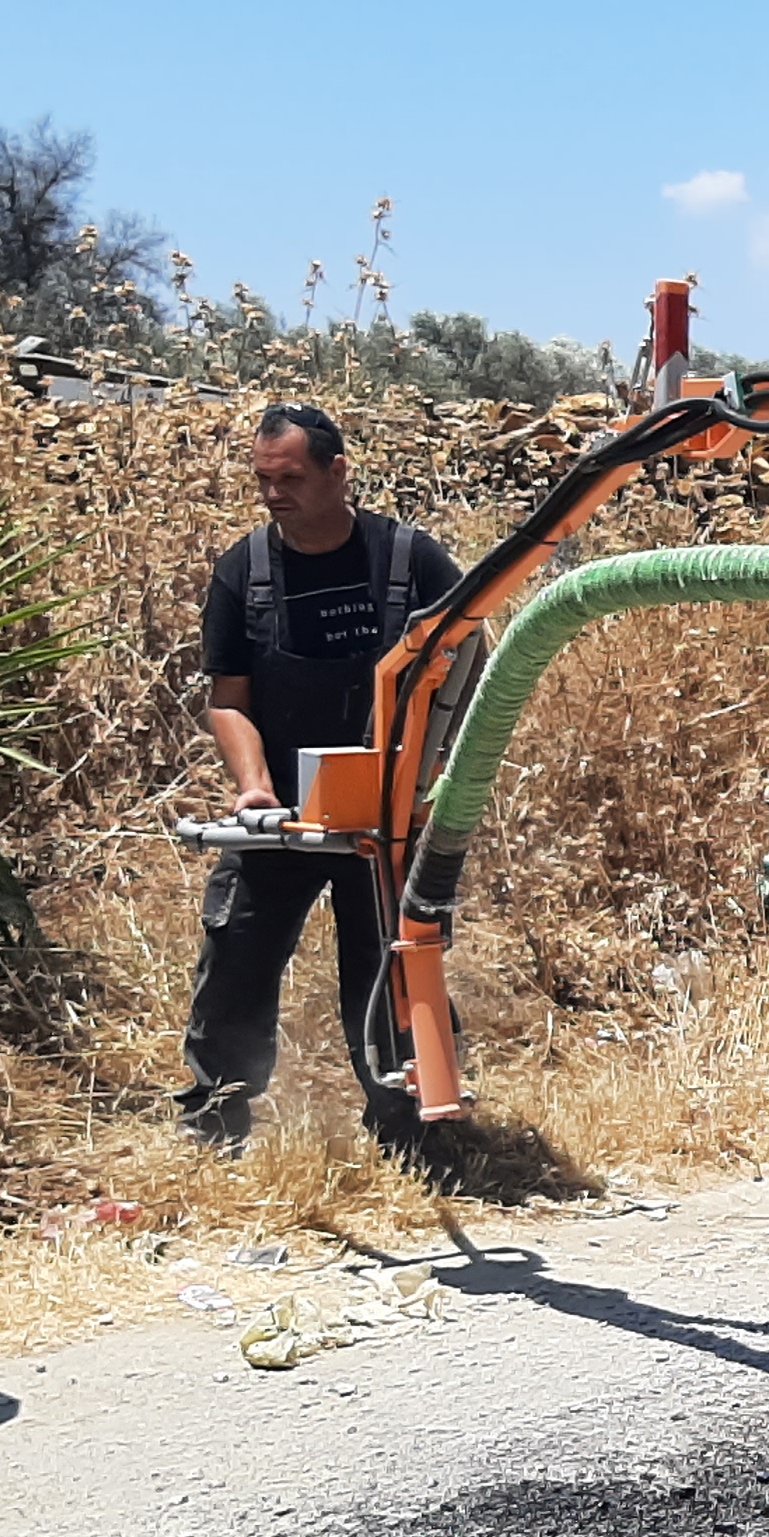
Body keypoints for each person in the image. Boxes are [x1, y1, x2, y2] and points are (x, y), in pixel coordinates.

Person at [179, 404, 461, 1157]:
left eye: (291, 479)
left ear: (339, 473)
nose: (274, 494)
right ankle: (219, 1124)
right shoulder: (245, 571)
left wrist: (430, 774)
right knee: (237, 958)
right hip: (282, 817)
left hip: (388, 818)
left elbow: (468, 678)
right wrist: (253, 788)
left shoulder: (412, 563)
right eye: (263, 480)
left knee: (390, 972)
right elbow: (228, 701)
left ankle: (412, 1131)